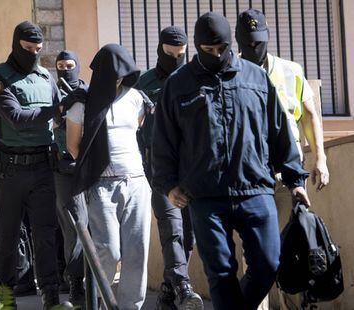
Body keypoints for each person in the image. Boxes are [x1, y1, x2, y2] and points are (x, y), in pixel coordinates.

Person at [152, 12, 310, 310]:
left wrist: (295, 180)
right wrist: (169, 185)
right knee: (221, 275)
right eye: (208, 50)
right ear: (197, 47)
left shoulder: (256, 77)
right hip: (204, 195)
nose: (217, 55)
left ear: (231, 44)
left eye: (222, 48)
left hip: (255, 189)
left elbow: (279, 132)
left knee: (268, 264)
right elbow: (162, 142)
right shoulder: (178, 84)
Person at [235, 9, 330, 308]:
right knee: (257, 254)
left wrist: (320, 159)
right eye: (248, 43)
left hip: (287, 177)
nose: (254, 48)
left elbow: (310, 117)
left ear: (268, 37)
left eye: (259, 42)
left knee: (293, 249)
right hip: (249, 178)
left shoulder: (291, 70)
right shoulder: (231, 71)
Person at [0, 21, 75, 309]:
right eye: (27, 49)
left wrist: (78, 100)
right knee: (7, 238)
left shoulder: (45, 77)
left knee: (46, 235)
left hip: (42, 166)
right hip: (9, 169)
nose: (33, 54)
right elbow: (16, 118)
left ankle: (50, 298)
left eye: (38, 49)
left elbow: (61, 118)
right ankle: (4, 301)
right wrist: (57, 108)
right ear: (15, 45)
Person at [67, 44, 151, 309]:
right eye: (113, 74)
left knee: (136, 252)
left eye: (121, 75)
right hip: (101, 186)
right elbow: (73, 146)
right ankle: (100, 301)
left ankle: (129, 306)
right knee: (109, 250)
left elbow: (138, 129)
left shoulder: (136, 98)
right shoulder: (82, 102)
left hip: (136, 182)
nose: (117, 80)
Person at [137, 26, 203, 310]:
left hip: (190, 170)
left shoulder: (194, 79)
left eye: (181, 55)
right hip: (160, 172)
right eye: (169, 54)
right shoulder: (143, 85)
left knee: (188, 237)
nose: (175, 59)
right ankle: (183, 287)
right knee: (171, 228)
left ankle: (167, 291)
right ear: (159, 50)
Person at [53, 50, 88, 307]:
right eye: (61, 66)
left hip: (92, 168)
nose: (65, 70)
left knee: (96, 226)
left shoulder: (90, 91)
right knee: (73, 226)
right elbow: (43, 121)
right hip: (64, 168)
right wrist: (61, 111)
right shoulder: (52, 93)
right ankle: (76, 281)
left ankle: (96, 278)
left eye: (70, 65)